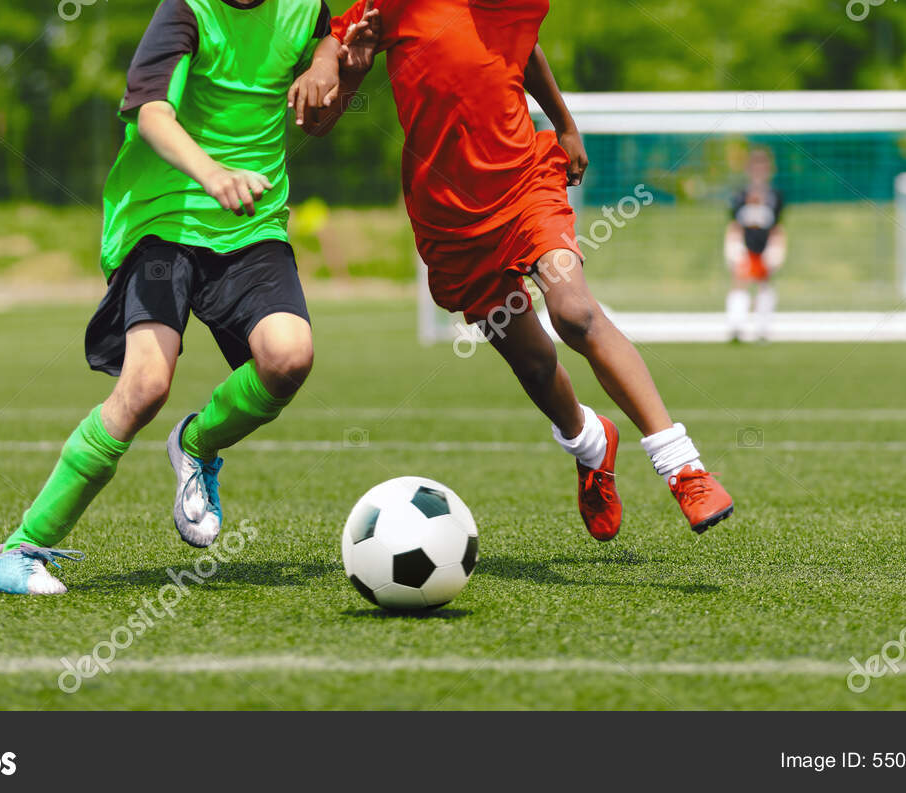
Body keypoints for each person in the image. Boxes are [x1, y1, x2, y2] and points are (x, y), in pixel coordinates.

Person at [299, 0, 735, 540]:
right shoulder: (392, 5)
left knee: (574, 312)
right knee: (532, 363)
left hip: (524, 180)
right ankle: (589, 442)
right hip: (448, 217)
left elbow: (521, 47)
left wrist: (564, 125)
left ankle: (683, 466)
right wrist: (340, 70)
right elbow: (318, 123)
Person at [0, 0, 350, 595]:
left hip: (251, 223)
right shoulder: (185, 11)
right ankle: (21, 548)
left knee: (289, 357)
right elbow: (152, 114)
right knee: (146, 385)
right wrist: (212, 174)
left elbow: (330, 33)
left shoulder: (304, 9)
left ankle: (196, 445)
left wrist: (328, 59)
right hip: (163, 222)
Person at [725, 147, 787, 342]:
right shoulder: (739, 196)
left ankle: (763, 328)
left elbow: (777, 226)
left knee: (764, 283)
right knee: (740, 281)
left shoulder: (775, 196)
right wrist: (734, 247)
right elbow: (734, 224)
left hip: (765, 245)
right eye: (755, 166)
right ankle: (736, 326)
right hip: (745, 244)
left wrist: (776, 248)